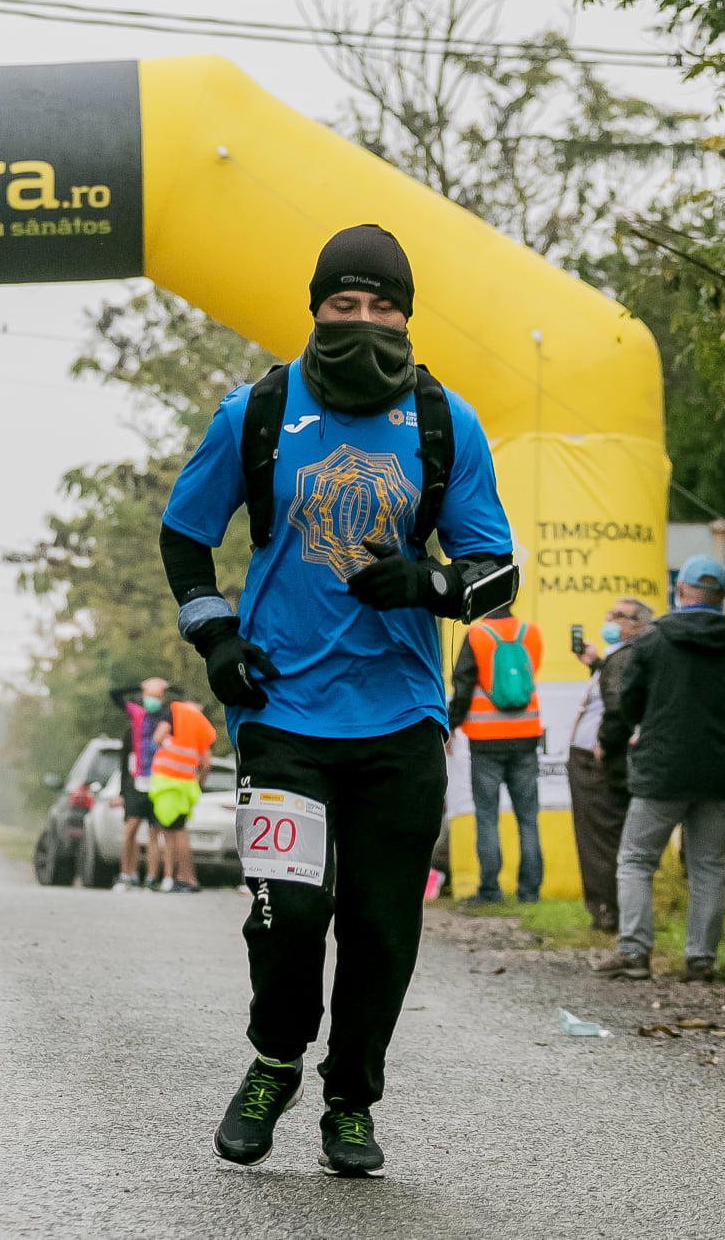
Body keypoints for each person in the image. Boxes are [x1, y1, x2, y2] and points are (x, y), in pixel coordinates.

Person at [160, 224, 516, 1177]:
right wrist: (216, 635)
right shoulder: (258, 411)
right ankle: (274, 1060)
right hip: (281, 715)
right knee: (287, 914)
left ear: (406, 315)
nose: (363, 321)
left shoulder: (447, 425)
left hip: (401, 718)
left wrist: (430, 586)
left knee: (380, 927)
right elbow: (183, 536)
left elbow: (498, 575)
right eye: (344, 304)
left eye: (382, 306)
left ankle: (350, 1102)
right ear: (314, 307)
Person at [593, 556, 725, 982]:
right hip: (719, 774)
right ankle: (701, 960)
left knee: (637, 860)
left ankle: (635, 953)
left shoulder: (653, 641)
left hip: (661, 771)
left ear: (680, 592)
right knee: (708, 866)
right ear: (724, 598)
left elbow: (629, 702)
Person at [565, 597, 653, 931]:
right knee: (604, 836)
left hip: (597, 763)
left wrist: (605, 742)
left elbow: (617, 707)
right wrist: (596, 664)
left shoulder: (626, 658)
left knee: (599, 839)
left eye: (618, 616)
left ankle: (606, 911)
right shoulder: (621, 658)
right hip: (598, 761)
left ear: (637, 626)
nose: (609, 619)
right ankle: (609, 909)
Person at [447, 607, 545, 905]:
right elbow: (528, 676)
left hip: (486, 739)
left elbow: (462, 687)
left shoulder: (477, 634)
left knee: (487, 817)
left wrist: (450, 726)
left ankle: (490, 890)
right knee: (528, 818)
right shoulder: (531, 632)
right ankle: (529, 892)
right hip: (526, 734)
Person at [146, 697, 215, 894]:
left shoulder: (175, 712)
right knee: (180, 829)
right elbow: (206, 764)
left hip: (167, 783)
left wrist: (168, 745)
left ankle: (185, 878)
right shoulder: (203, 725)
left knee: (173, 832)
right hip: (187, 785)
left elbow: (158, 737)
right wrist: (198, 783)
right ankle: (186, 878)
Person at [109, 678, 169, 892]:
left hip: (158, 781)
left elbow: (183, 703)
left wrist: (163, 687)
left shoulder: (166, 717)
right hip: (137, 781)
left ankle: (152, 878)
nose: (151, 700)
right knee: (131, 828)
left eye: (155, 697)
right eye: (148, 696)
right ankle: (127, 875)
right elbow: (114, 694)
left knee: (155, 832)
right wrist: (140, 686)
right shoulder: (137, 715)